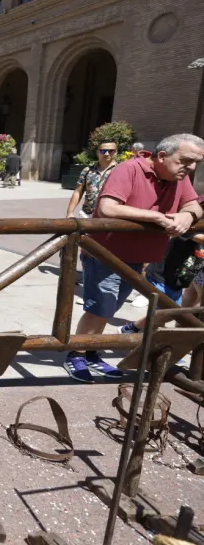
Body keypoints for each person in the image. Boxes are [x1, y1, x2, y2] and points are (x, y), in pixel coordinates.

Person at [64, 134, 204, 383]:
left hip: (137, 258)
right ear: (162, 156)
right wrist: (157, 217)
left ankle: (91, 351)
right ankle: (76, 352)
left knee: (109, 308)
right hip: (106, 254)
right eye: (187, 160)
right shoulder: (129, 169)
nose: (191, 167)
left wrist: (188, 216)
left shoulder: (177, 176)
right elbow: (108, 207)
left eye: (197, 163)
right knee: (100, 307)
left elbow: (194, 204)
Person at [66, 139, 118, 218]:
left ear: (116, 152)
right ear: (98, 152)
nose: (107, 154)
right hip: (87, 214)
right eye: (103, 151)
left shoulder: (121, 171)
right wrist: (70, 212)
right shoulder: (87, 170)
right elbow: (78, 192)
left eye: (111, 151)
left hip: (110, 215)